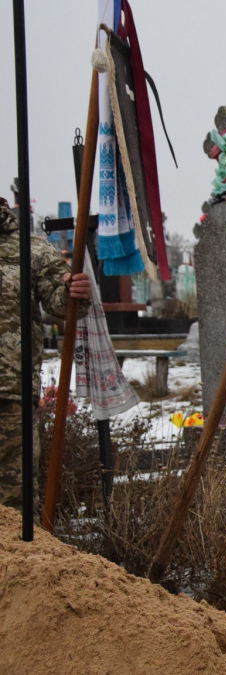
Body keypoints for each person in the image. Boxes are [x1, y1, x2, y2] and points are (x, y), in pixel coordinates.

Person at [0, 198, 91, 510]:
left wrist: (73, 291)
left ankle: (17, 561)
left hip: (8, 392)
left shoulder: (29, 250)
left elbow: (62, 303)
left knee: (15, 502)